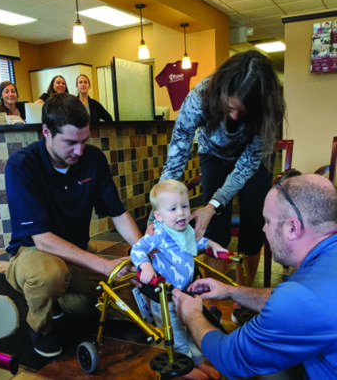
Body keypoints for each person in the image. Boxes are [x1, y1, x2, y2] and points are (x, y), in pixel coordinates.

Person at [4, 93, 142, 357]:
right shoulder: (22, 165)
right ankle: (40, 327)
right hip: (32, 254)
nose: (79, 151)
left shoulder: (93, 159)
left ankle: (62, 301)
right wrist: (103, 264)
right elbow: (41, 238)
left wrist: (144, 252)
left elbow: (118, 213)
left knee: (131, 301)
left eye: (84, 141)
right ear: (46, 131)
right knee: (49, 275)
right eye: (70, 142)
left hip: (77, 254)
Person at [156, 50, 285, 317]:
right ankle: (210, 296)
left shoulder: (269, 108)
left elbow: (246, 166)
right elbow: (178, 152)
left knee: (253, 223)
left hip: (253, 161)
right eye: (230, 108)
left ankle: (243, 296)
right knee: (214, 227)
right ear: (221, 93)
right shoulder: (200, 96)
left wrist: (215, 202)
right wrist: (157, 209)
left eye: (243, 112)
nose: (235, 117)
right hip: (213, 154)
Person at [173, 173, 337, 379]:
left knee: (267, 372)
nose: (263, 229)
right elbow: (298, 301)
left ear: (292, 227)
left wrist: (191, 315)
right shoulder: (322, 269)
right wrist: (232, 291)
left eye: (268, 221)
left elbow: (230, 358)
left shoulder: (303, 297)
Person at [130, 179, 226, 380]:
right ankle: (186, 369)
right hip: (163, 296)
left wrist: (213, 245)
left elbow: (197, 242)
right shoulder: (159, 235)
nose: (181, 213)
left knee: (191, 329)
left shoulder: (185, 230)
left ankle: (197, 362)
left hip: (185, 293)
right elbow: (137, 249)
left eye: (185, 206)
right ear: (159, 216)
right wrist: (145, 265)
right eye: (173, 209)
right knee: (176, 335)